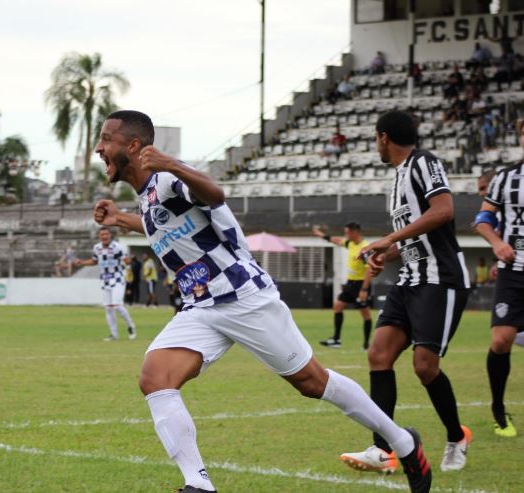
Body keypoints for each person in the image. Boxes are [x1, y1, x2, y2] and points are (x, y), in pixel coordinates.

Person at [92, 109, 432, 493]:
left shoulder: (168, 177)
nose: (99, 149)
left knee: (312, 382)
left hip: (243, 297)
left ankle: (404, 443)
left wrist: (170, 162)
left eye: (106, 139)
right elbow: (168, 225)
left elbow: (214, 194)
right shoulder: (150, 194)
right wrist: (122, 219)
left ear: (133, 146)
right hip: (202, 307)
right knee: (155, 378)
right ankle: (198, 484)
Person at [340, 110, 472, 475]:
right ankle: (383, 450)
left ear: (384, 137)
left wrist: (389, 238)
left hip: (440, 278)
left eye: (375, 138)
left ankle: (456, 436)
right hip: (410, 278)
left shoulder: (424, 162)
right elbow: (415, 235)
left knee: (425, 367)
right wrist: (387, 252)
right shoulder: (396, 178)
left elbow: (443, 211)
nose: (375, 144)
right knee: (379, 355)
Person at [474, 117, 524, 437]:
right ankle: (498, 408)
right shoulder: (506, 177)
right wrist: (497, 243)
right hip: (513, 271)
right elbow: (482, 219)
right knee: (500, 340)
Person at [312, 222, 373, 350]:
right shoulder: (349, 243)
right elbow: (336, 240)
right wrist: (321, 235)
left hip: (361, 284)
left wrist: (364, 290)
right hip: (350, 283)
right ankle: (336, 339)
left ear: (355, 232)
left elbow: (369, 270)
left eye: (347, 232)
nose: (345, 235)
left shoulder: (365, 247)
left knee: (365, 314)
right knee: (338, 306)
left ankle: (367, 344)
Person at [74, 227, 137, 341]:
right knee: (108, 308)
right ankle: (114, 334)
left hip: (118, 279)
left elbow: (126, 259)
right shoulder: (97, 248)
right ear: (99, 236)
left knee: (117, 305)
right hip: (105, 280)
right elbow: (95, 261)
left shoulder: (117, 247)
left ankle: (131, 325)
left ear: (110, 236)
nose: (104, 236)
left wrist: (128, 261)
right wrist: (82, 262)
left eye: (106, 234)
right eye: (102, 234)